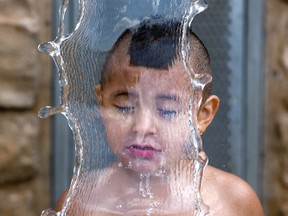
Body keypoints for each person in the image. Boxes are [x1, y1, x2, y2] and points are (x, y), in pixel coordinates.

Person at [55, 18, 264, 215]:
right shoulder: (79, 204)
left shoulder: (232, 202)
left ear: (203, 115)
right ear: (102, 104)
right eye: (124, 107)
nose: (142, 127)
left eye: (167, 111)